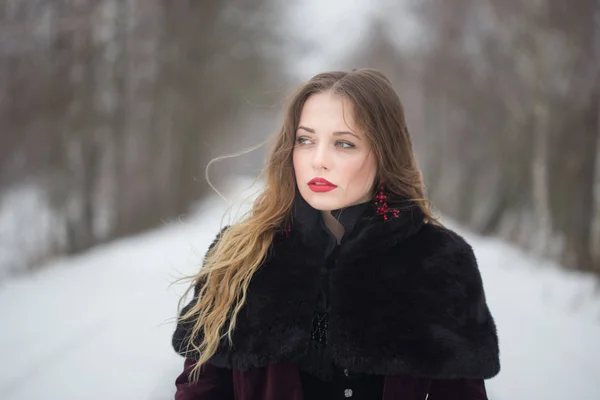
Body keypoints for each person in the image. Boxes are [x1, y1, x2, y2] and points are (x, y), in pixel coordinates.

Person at [171, 69, 500, 400]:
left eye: (344, 144)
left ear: (385, 153)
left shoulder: (439, 262)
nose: (318, 160)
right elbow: (200, 390)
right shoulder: (242, 254)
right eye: (305, 140)